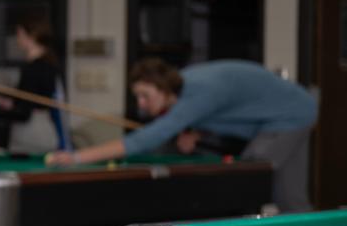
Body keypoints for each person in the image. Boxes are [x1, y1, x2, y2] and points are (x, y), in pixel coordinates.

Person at [46, 58, 318, 212]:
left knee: (246, 178)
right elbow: (228, 105)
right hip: (295, 109)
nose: (141, 104)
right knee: (291, 197)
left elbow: (142, 140)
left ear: (164, 89)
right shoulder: (183, 88)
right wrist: (195, 131)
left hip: (287, 117)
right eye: (137, 97)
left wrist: (77, 157)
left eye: (145, 96)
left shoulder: (197, 93)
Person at [0, 17, 69, 154]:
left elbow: (24, 112)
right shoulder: (50, 63)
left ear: (32, 36)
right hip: (45, 131)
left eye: (19, 34)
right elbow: (29, 102)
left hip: (33, 135)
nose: (17, 38)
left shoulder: (34, 68)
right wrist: (5, 102)